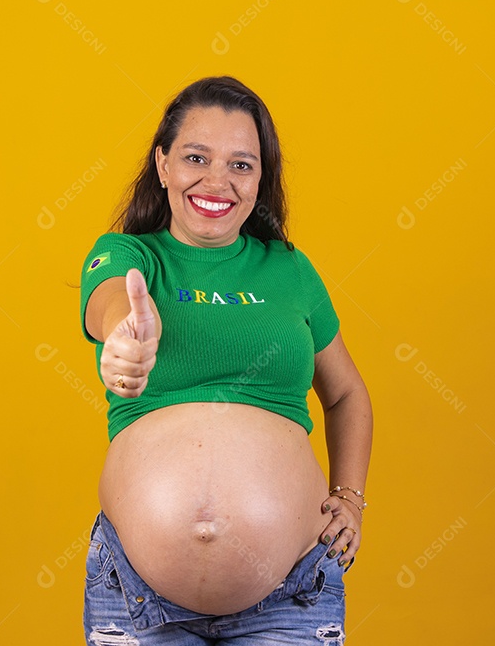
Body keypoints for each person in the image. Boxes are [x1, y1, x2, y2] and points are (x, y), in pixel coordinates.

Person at [78, 75, 373, 645]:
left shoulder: (290, 270)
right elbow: (111, 304)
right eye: (195, 157)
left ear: (262, 180)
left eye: (242, 165)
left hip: (292, 589)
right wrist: (124, 341)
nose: (217, 181)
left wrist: (350, 497)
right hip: (138, 592)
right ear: (163, 165)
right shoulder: (128, 255)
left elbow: (345, 394)